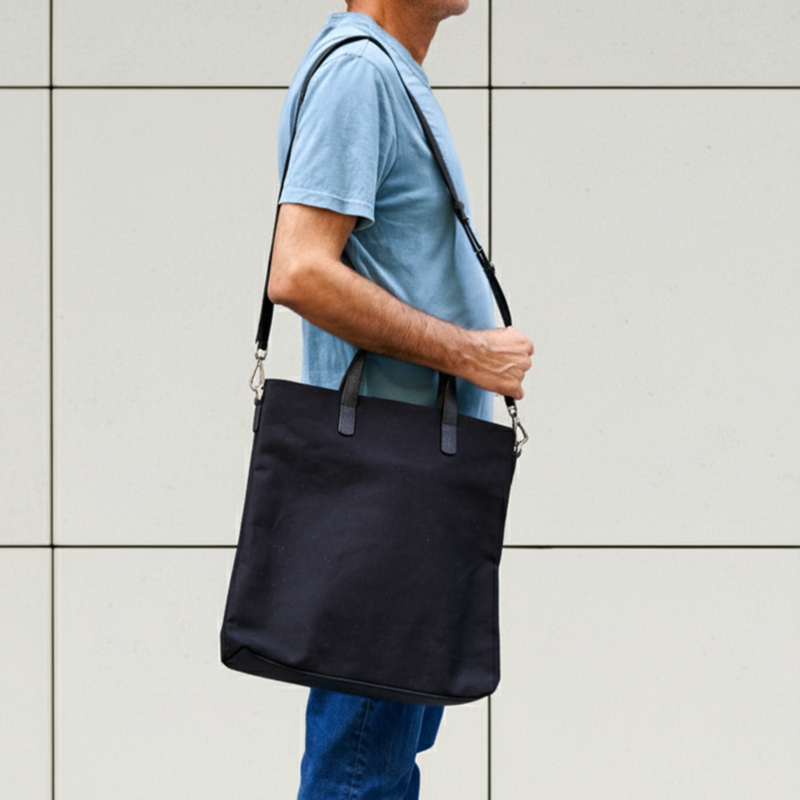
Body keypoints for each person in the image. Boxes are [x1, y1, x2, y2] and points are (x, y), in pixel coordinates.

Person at [267, 1, 534, 797]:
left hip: (411, 478)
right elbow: (299, 271)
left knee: (382, 757)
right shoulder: (360, 74)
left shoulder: (386, 71)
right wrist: (470, 352)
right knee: (363, 770)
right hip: (388, 483)